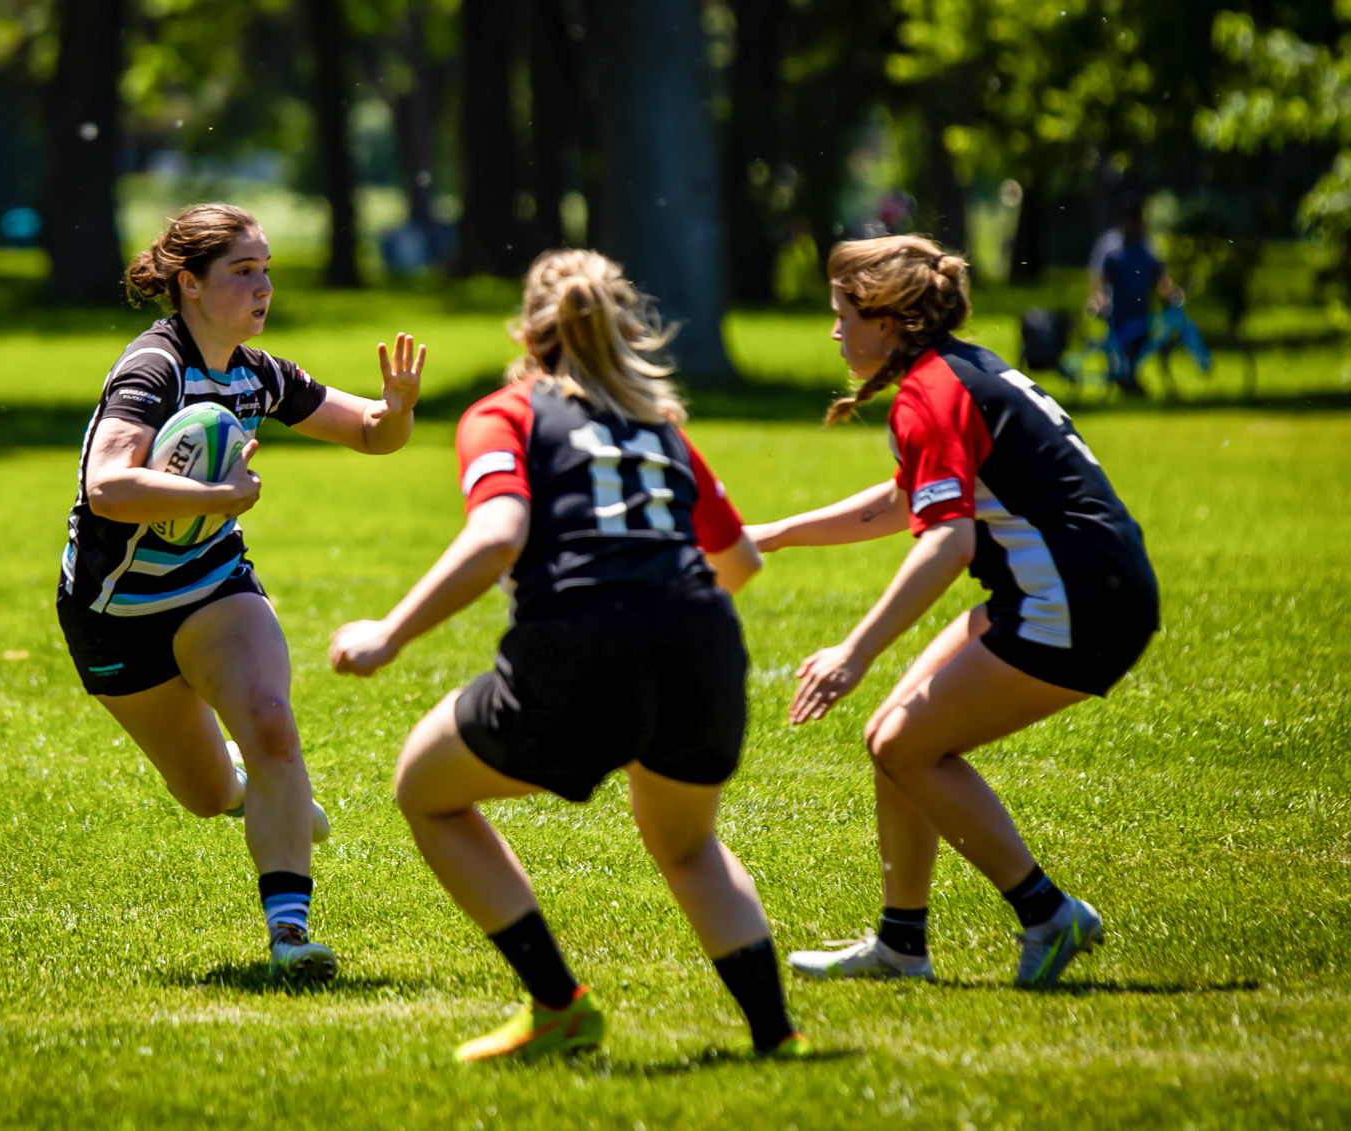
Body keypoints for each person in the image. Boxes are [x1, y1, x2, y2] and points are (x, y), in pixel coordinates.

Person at [327, 249, 812, 1062]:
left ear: (527, 330)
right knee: (689, 846)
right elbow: (740, 564)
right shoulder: (659, 424)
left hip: (582, 645)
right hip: (703, 644)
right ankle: (776, 1035)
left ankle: (558, 1004)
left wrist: (391, 632)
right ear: (626, 326)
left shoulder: (504, 412)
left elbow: (497, 536)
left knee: (426, 786)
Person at [747, 235, 1158, 987]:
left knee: (904, 743)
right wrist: (777, 533)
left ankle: (1047, 913)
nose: (834, 331)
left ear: (891, 320)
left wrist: (855, 651)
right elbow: (910, 497)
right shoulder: (950, 370)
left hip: (1079, 602)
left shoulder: (929, 393)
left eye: (843, 314)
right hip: (1080, 589)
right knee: (893, 736)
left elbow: (946, 544)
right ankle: (901, 944)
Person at [56, 202, 426, 980]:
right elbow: (108, 487)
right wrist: (219, 499)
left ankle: (289, 935)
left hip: (214, 585)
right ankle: (248, 790)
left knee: (271, 723)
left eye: (267, 271)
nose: (263, 288)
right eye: (243, 272)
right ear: (190, 284)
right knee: (201, 790)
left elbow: (366, 431)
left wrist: (395, 412)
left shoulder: (257, 373)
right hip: (113, 611)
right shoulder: (152, 368)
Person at [1088, 191, 1182, 395]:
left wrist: (1172, 293)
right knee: (1125, 347)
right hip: (1118, 310)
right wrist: (1098, 297)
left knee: (1141, 347)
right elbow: (1098, 276)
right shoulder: (1110, 245)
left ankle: (1129, 380)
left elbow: (1160, 276)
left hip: (1141, 309)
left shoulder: (1147, 246)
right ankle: (1126, 380)